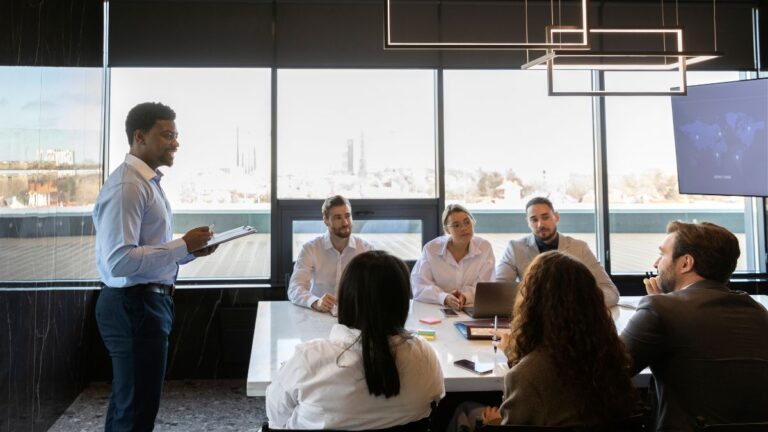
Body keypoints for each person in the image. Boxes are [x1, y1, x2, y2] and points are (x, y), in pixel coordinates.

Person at [93, 102, 218, 431]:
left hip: (145, 303)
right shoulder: (129, 186)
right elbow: (120, 261)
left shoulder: (146, 183)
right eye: (167, 135)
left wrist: (190, 252)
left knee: (132, 403)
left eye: (176, 135)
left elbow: (145, 250)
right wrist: (181, 245)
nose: (176, 142)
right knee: (135, 409)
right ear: (139, 137)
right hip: (134, 306)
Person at [451, 251, 636, 431]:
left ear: (533, 305)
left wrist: (495, 422)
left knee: (462, 410)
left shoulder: (525, 375)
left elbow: (519, 414)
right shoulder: (612, 355)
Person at [266, 250, 445, 429]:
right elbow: (436, 397)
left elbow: (277, 418)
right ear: (403, 302)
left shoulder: (310, 359)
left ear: (346, 298)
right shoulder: (424, 355)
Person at [621, 221, 768, 431]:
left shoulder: (660, 309)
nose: (656, 264)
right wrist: (668, 302)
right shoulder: (758, 312)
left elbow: (609, 370)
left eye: (662, 254)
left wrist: (662, 305)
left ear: (685, 263)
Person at [495, 196, 619, 307]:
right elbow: (498, 292)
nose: (540, 224)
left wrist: (578, 304)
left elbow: (610, 292)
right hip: (533, 318)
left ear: (556, 217)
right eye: (534, 219)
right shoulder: (515, 248)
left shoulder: (579, 248)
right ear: (527, 222)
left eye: (545, 217)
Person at [287, 195, 374, 312]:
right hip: (319, 315)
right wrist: (315, 302)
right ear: (326, 220)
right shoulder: (310, 248)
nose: (345, 222)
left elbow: (376, 287)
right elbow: (295, 287)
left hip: (355, 316)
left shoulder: (366, 249)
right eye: (338, 218)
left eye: (348, 216)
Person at [411, 204, 495, 309]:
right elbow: (419, 286)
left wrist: (465, 297)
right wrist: (444, 297)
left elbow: (487, 286)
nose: (464, 228)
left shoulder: (484, 247)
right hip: (436, 308)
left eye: (467, 222)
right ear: (446, 230)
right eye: (456, 225)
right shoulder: (431, 249)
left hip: (471, 309)